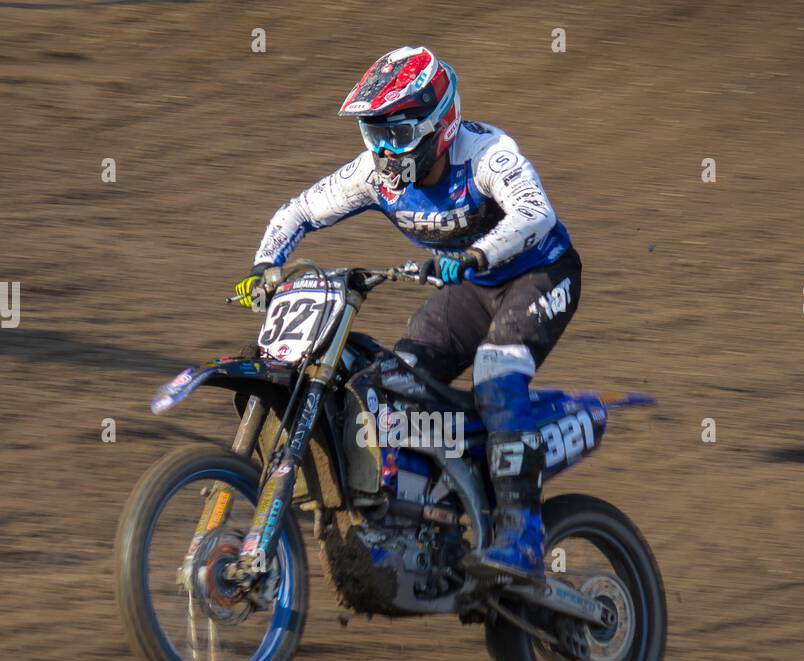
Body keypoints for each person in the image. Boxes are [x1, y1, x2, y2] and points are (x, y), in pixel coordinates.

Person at [236, 46, 581, 581]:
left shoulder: (489, 155)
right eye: (373, 135)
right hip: (470, 284)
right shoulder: (373, 176)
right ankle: (423, 515)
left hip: (540, 273)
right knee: (393, 381)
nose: (383, 151)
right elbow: (298, 212)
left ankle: (522, 539)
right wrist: (265, 267)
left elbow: (537, 215)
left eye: (395, 135)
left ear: (438, 125)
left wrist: (478, 254)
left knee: (496, 374)